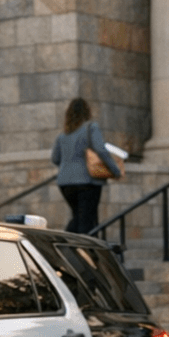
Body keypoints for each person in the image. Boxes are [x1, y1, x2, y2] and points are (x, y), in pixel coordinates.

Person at [51, 97, 120, 234]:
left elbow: (55, 158)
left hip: (65, 183)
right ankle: (76, 244)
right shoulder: (91, 127)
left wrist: (69, 164)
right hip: (87, 181)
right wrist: (115, 170)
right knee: (86, 220)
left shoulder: (62, 135)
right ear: (87, 112)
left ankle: (69, 242)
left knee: (78, 217)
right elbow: (101, 150)